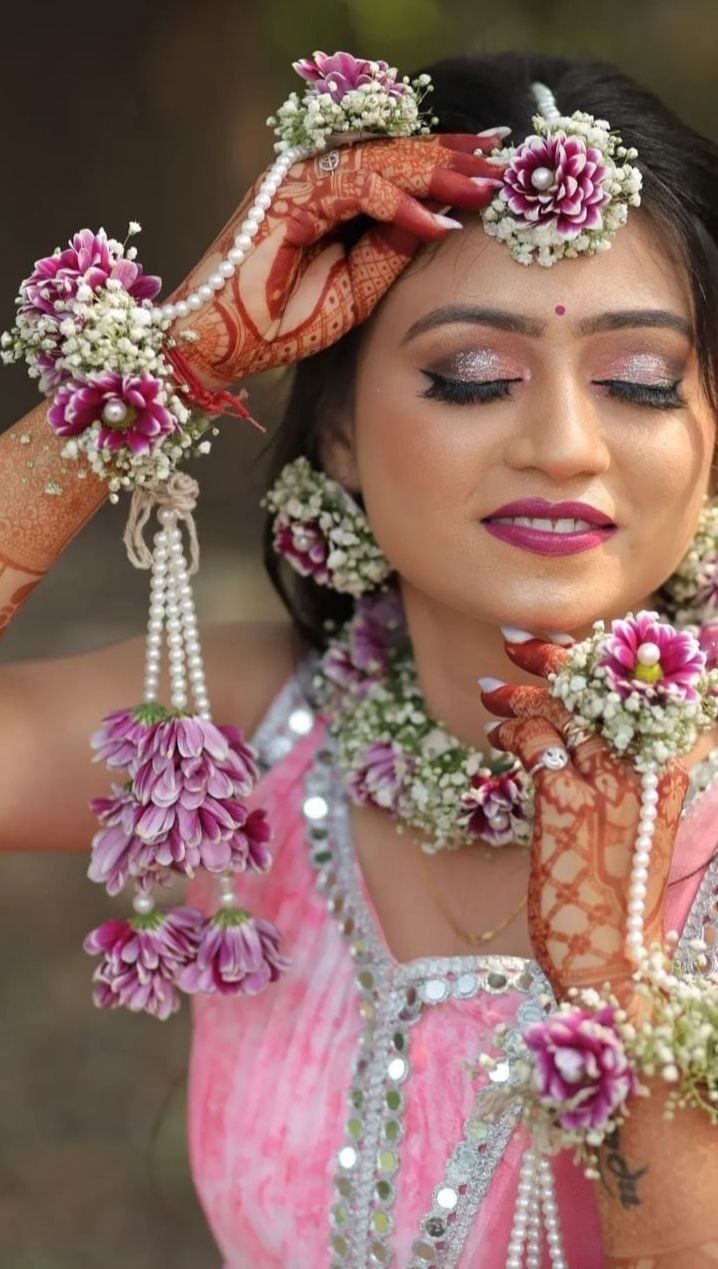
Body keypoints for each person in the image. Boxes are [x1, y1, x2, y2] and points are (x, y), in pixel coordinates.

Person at [1, 47, 718, 1268]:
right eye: (472, 375)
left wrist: (612, 988)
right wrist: (178, 357)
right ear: (336, 433)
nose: (562, 445)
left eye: (640, 384)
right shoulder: (252, 734)